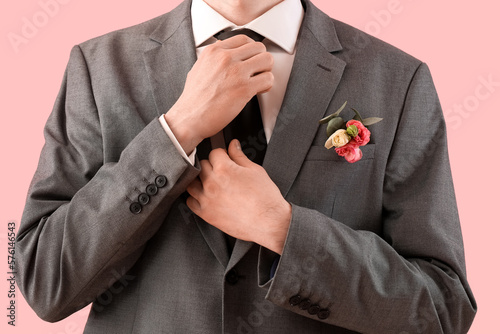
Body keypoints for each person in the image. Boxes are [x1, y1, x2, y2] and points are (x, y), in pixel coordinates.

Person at [16, 0, 477, 332]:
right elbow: (43, 280)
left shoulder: (398, 79)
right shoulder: (98, 68)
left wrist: (284, 229)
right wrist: (175, 132)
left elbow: (442, 309)